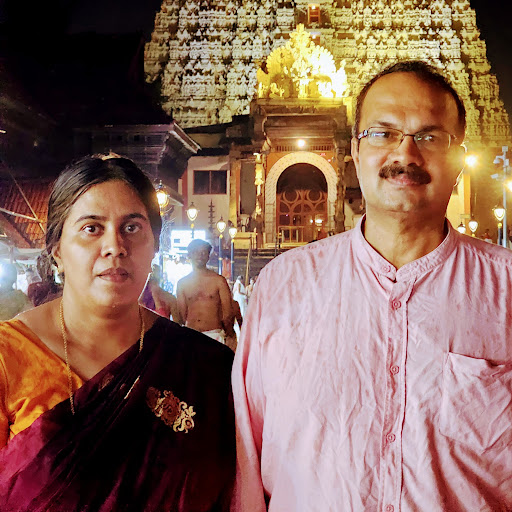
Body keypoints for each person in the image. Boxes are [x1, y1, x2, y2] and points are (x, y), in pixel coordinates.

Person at [232, 61, 512, 512]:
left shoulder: (506, 289)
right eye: (382, 133)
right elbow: (249, 459)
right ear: (354, 153)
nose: (406, 154)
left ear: (459, 158)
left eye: (430, 137)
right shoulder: (282, 287)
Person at [0, 155, 235, 511]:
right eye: (92, 228)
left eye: (132, 227)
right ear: (57, 251)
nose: (115, 246)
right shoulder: (9, 356)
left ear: (154, 245)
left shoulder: (205, 367)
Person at [177, 239, 235, 347]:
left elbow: (227, 313)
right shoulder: (182, 283)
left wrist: (230, 335)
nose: (200, 255)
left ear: (209, 256)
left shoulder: (219, 281)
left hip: (214, 335)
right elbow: (181, 315)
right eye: (196, 252)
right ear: (189, 255)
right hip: (191, 335)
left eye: (204, 252)